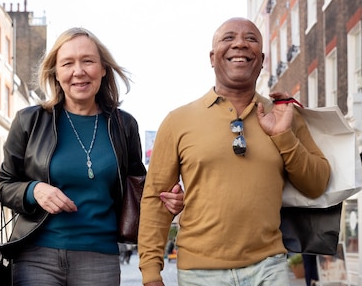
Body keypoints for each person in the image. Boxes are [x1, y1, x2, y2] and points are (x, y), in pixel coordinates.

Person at [138, 17, 331, 286]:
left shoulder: (285, 115)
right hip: (199, 272)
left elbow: (317, 184)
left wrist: (283, 136)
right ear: (212, 57)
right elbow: (154, 199)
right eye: (228, 38)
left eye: (250, 39)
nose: (240, 44)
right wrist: (150, 273)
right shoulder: (178, 121)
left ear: (262, 59)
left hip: (269, 267)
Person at [0, 27, 184, 286]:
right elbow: (5, 186)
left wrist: (168, 201)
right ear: (56, 73)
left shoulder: (124, 125)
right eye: (67, 63)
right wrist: (34, 190)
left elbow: (140, 190)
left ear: (103, 69)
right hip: (36, 257)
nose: (78, 71)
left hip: (99, 258)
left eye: (87, 61)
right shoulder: (30, 120)